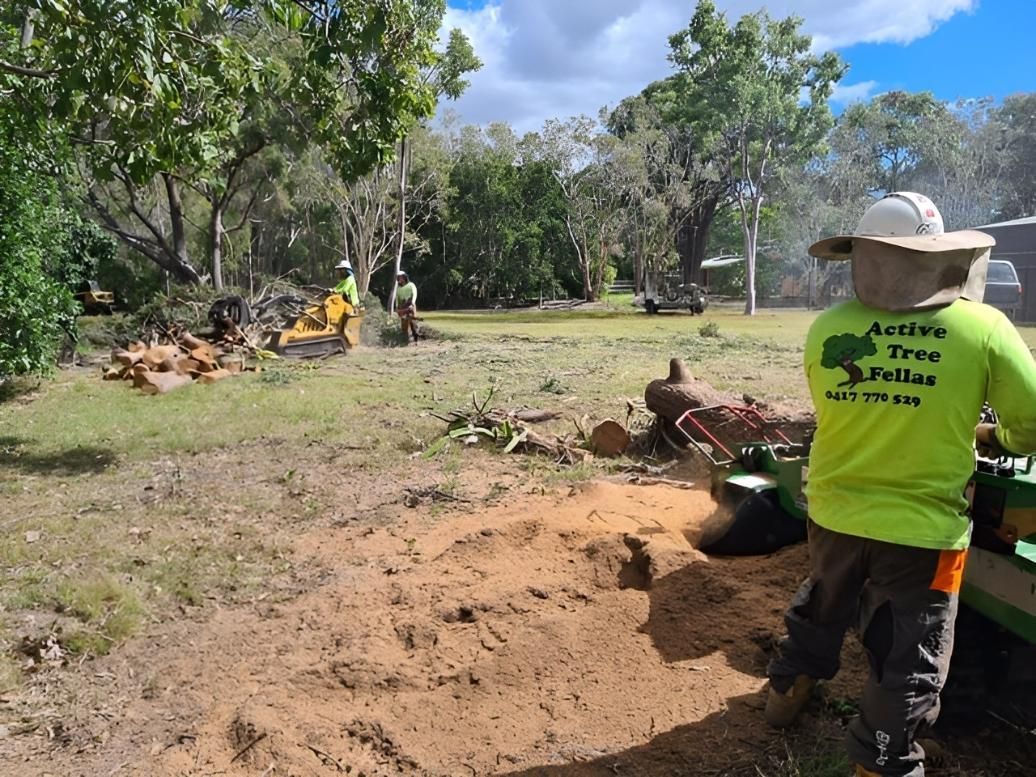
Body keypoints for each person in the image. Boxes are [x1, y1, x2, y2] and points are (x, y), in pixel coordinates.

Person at [764, 192, 1036, 777]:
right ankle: (883, 761)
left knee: (825, 601)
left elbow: (842, 411)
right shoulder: (983, 327)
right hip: (924, 531)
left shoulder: (828, 328)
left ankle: (788, 689)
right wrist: (997, 439)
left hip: (833, 511)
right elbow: (1033, 421)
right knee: (909, 656)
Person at [395, 270, 419, 343]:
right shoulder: (398, 288)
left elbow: (414, 294)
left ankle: (415, 338)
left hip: (410, 304)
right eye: (398, 278)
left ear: (405, 277)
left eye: (401, 277)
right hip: (403, 306)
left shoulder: (411, 285)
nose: (400, 279)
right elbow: (397, 298)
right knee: (404, 324)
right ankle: (405, 339)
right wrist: (397, 308)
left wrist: (412, 303)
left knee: (413, 321)